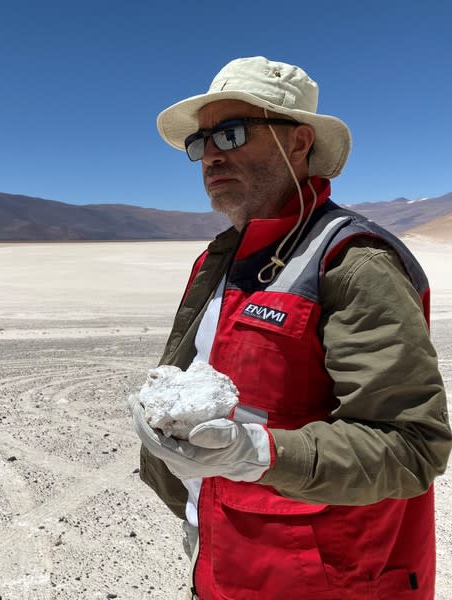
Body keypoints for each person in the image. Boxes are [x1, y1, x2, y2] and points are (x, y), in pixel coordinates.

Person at [130, 56, 452, 599]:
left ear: (299, 142)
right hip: (227, 553)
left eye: (231, 134)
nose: (210, 154)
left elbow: (411, 445)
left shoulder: (354, 262)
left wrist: (256, 453)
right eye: (200, 142)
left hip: (330, 578)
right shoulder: (223, 259)